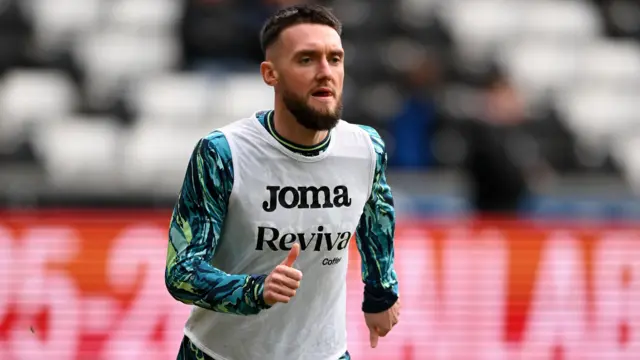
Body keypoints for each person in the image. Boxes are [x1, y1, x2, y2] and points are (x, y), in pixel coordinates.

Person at [165, 5, 400, 360]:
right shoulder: (223, 154)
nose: (325, 72)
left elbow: (376, 219)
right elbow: (181, 271)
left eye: (334, 59)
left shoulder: (365, 148)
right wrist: (254, 291)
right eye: (306, 60)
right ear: (270, 74)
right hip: (219, 354)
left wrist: (381, 294)